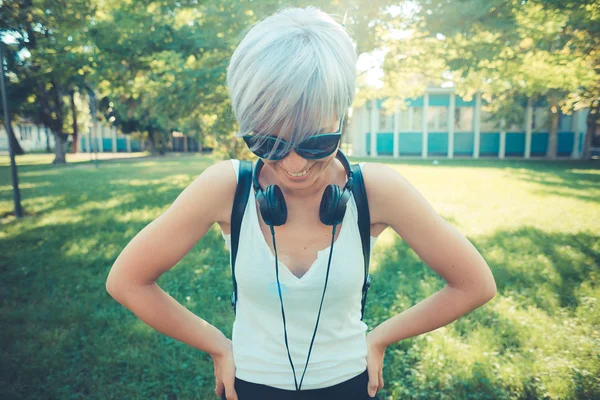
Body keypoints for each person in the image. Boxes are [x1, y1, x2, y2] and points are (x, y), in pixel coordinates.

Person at [105, 6, 497, 400]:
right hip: (249, 387)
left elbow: (473, 284)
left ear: (342, 116)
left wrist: (380, 338)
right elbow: (128, 281)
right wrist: (216, 343)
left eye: (316, 141)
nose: (293, 164)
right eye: (268, 142)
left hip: (348, 385)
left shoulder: (376, 190)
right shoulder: (226, 187)